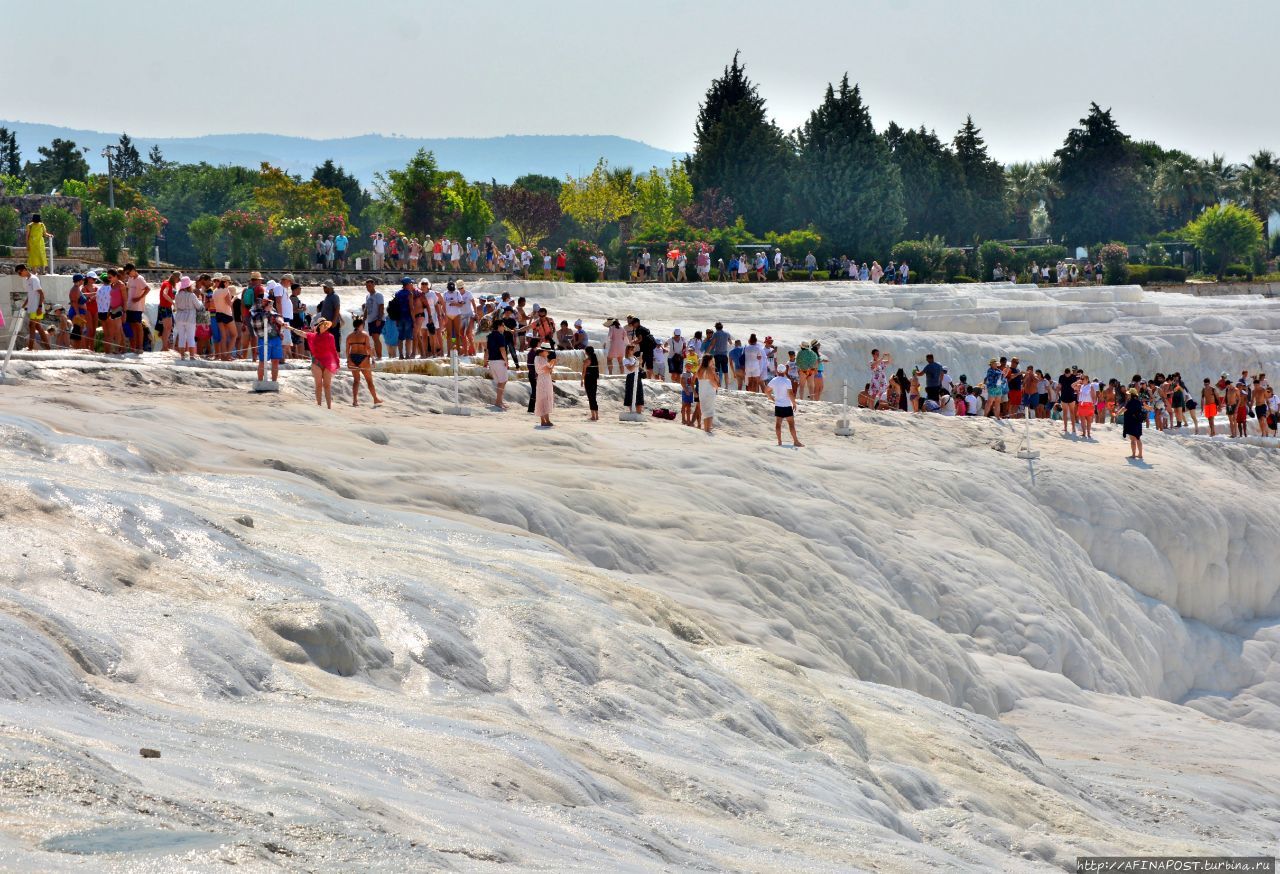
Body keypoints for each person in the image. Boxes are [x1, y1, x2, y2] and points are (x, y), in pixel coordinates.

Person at [304, 318, 340, 409]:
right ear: (319, 326)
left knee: (327, 385)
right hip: (316, 362)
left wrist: (337, 363)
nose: (325, 326)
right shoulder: (313, 336)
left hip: (328, 363)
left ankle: (329, 407)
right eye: (323, 325)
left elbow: (333, 350)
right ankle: (319, 406)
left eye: (326, 325)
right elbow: (301, 333)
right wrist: (290, 328)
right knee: (318, 384)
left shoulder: (330, 336)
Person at [346, 317, 381, 408]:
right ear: (360, 325)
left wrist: (348, 360)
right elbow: (368, 348)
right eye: (363, 325)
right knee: (369, 381)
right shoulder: (364, 335)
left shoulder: (349, 336)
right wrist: (372, 358)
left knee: (356, 381)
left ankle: (354, 401)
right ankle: (375, 399)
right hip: (363, 358)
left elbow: (347, 351)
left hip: (353, 358)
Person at [250, 295, 286, 383]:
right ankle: (260, 381)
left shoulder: (272, 314)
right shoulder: (257, 316)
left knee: (275, 361)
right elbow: (276, 318)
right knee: (262, 361)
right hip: (264, 340)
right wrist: (281, 322)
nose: (272, 307)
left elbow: (278, 318)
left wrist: (283, 323)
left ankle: (274, 381)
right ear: (264, 306)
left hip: (275, 339)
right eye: (270, 305)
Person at [766, 368, 804, 447]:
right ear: (784, 372)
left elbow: (767, 390)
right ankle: (796, 441)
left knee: (778, 424)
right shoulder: (787, 381)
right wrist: (794, 403)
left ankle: (779, 442)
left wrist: (771, 397)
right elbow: (790, 393)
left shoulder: (774, 380)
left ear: (777, 371)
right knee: (791, 424)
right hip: (786, 405)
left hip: (778, 405)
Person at [15, 265, 49, 350]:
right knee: (38, 327)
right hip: (32, 307)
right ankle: (48, 347)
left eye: (20, 272)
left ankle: (30, 348)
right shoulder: (27, 280)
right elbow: (29, 295)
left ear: (24, 270)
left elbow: (41, 293)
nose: (19, 275)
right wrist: (23, 306)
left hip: (36, 307)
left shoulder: (34, 279)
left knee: (32, 326)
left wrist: (40, 307)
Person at [123, 264, 150, 353]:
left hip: (138, 307)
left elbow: (147, 289)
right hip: (130, 306)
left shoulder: (140, 279)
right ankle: (133, 347)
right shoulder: (130, 279)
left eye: (128, 272)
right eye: (126, 273)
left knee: (138, 326)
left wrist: (139, 298)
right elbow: (127, 289)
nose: (128, 274)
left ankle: (140, 347)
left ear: (133, 270)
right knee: (132, 326)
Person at [172, 275, 200, 360]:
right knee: (191, 337)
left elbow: (175, 306)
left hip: (179, 316)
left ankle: (182, 356)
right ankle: (192, 356)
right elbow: (198, 306)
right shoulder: (191, 295)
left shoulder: (177, 295)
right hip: (190, 317)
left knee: (181, 337)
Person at [487, 318, 510, 409]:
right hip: (499, 361)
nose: (504, 327)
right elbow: (502, 349)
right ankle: (498, 402)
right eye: (503, 325)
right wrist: (506, 360)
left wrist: (486, 361)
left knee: (500, 382)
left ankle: (499, 401)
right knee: (503, 381)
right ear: (499, 326)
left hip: (492, 361)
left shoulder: (490, 336)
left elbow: (487, 350)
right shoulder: (500, 336)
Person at [363, 279, 386, 360]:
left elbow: (381, 306)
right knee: (373, 337)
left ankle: (379, 357)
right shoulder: (368, 296)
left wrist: (379, 319)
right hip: (370, 320)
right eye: (367, 286)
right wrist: (363, 319)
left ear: (373, 285)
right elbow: (366, 308)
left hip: (377, 319)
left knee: (376, 337)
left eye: (369, 286)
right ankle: (377, 356)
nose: (368, 287)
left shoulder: (378, 295)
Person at [534, 344, 556, 427]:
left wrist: (551, 364)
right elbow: (547, 369)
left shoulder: (542, 358)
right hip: (543, 379)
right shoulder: (539, 358)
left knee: (545, 398)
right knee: (543, 398)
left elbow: (548, 370)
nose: (548, 353)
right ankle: (544, 420)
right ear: (543, 351)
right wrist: (552, 362)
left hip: (546, 379)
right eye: (547, 352)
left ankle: (545, 419)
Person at [697, 354, 719, 433]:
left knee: (705, 412)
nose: (713, 362)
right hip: (709, 392)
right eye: (712, 360)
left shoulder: (699, 369)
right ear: (709, 361)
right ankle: (708, 430)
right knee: (710, 412)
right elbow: (714, 383)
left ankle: (706, 429)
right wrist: (717, 387)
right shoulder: (709, 370)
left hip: (702, 393)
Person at [1123, 387, 1145, 460]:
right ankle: (1140, 454)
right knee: (1138, 438)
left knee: (1133, 440)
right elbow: (1145, 407)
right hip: (1138, 421)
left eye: (1129, 394)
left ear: (1131, 394)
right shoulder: (1139, 401)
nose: (1128, 395)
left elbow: (1124, 409)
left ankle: (1133, 454)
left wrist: (1117, 413)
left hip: (1131, 422)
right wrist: (1150, 408)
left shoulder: (1130, 402)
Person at [319, 281, 342, 351]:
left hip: (332, 323)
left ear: (329, 287)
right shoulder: (328, 296)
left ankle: (336, 358)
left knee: (334, 340)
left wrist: (334, 321)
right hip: (326, 323)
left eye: (325, 287)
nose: (324, 289)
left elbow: (337, 308)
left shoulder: (334, 296)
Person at [623, 344, 644, 414]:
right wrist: (636, 362)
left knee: (639, 393)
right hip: (631, 376)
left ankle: (639, 412)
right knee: (630, 394)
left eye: (633, 349)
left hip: (637, 376)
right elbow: (630, 369)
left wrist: (640, 362)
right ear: (628, 350)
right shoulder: (625, 359)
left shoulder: (634, 358)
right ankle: (632, 411)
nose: (633, 351)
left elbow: (638, 367)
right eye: (631, 349)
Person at [581, 345, 600, 421]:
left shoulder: (587, 361)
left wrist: (582, 380)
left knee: (590, 397)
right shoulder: (595, 359)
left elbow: (584, 371)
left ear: (586, 352)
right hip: (594, 380)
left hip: (588, 380)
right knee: (594, 397)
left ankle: (593, 416)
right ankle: (597, 415)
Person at [680, 359, 696, 426]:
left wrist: (693, 391)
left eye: (690, 366)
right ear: (685, 366)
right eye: (687, 366)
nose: (689, 367)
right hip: (685, 391)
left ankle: (688, 420)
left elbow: (692, 383)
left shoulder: (692, 374)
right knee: (684, 405)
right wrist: (686, 390)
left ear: (692, 367)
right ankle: (683, 419)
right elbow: (682, 382)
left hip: (690, 392)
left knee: (689, 406)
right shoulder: (684, 374)